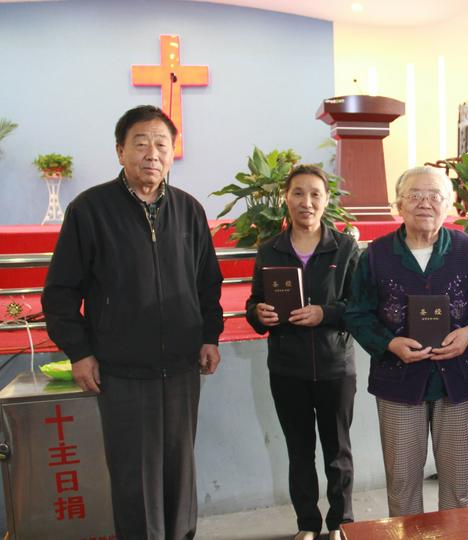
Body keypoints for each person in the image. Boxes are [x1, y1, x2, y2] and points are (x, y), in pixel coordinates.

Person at [42, 105, 224, 539]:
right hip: (122, 370)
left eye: (162, 144)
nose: (152, 153)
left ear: (172, 152)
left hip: (181, 368)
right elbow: (60, 292)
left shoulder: (189, 210)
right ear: (120, 150)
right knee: (133, 480)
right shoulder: (91, 210)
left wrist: (209, 336)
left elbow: (208, 283)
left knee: (180, 476)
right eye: (140, 143)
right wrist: (81, 352)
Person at [344, 166, 468, 516]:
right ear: (399, 204)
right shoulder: (375, 255)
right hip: (399, 381)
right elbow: (357, 313)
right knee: (402, 485)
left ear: (449, 205)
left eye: (435, 196)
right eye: (414, 195)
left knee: (460, 485)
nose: (424, 203)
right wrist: (389, 344)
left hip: (459, 379)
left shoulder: (467, 248)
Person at [245, 165, 359, 540]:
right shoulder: (270, 250)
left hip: (334, 367)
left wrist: (323, 313)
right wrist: (258, 314)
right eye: (298, 193)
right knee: (299, 452)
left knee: (337, 453)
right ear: (286, 198)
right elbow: (255, 304)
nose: (305, 202)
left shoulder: (343, 248)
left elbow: (359, 307)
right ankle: (307, 525)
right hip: (287, 369)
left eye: (314, 194)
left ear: (326, 201)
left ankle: (342, 523)